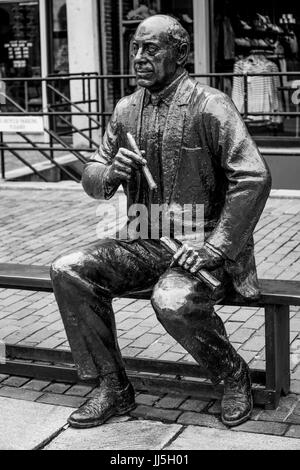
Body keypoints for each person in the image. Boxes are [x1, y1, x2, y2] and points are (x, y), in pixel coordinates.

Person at [51, 15, 272, 429]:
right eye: (136, 48)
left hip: (202, 247)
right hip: (147, 237)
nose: (139, 57)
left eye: (151, 49)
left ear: (181, 53)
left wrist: (215, 246)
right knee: (69, 270)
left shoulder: (210, 104)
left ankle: (232, 375)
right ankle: (113, 388)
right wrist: (110, 172)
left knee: (171, 300)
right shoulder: (125, 109)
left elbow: (253, 176)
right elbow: (93, 178)